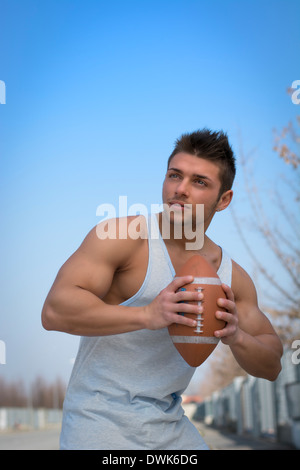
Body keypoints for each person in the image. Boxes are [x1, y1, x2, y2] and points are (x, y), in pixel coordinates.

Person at [42, 129, 283, 450]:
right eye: (174, 176)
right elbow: (54, 311)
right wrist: (148, 314)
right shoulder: (121, 237)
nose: (180, 190)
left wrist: (237, 337)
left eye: (199, 182)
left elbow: (273, 364)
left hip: (169, 423)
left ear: (223, 200)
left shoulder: (229, 277)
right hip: (99, 421)